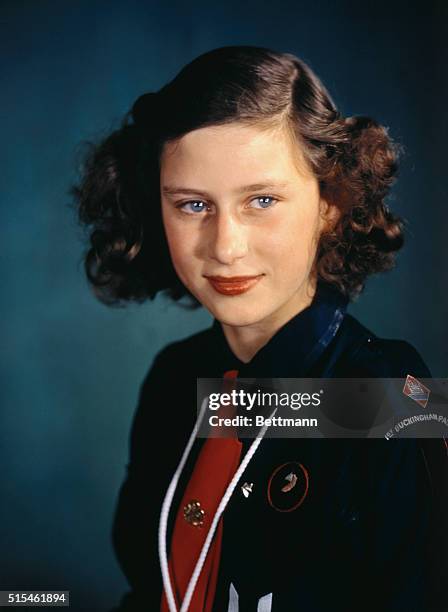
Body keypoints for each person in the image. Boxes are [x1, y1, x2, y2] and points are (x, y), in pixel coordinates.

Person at [72, 46, 447, 611]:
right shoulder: (176, 380)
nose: (225, 246)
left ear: (331, 204)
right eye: (194, 205)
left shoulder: (387, 396)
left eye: (262, 200)